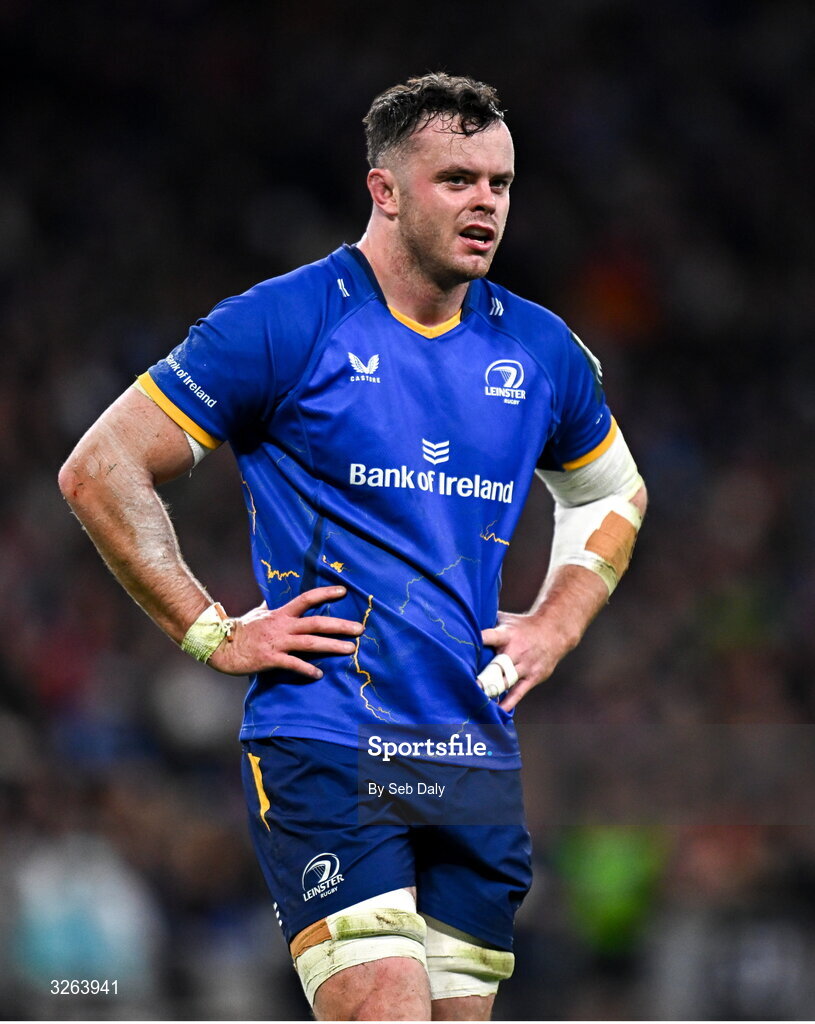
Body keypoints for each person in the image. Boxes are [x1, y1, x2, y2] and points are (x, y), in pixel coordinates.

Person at [59, 72, 647, 1021]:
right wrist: (209, 630)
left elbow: (611, 490)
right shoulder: (286, 321)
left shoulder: (541, 351)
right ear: (385, 190)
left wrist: (556, 622)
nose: (485, 203)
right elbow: (102, 467)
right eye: (456, 180)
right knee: (382, 1007)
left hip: (472, 748)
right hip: (331, 738)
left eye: (499, 183)